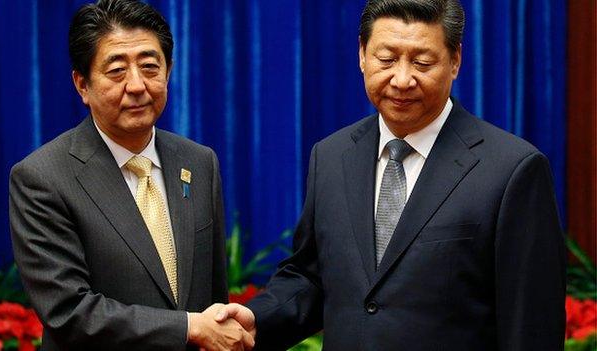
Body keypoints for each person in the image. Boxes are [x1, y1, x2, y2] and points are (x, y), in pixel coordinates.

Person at [215, 0, 566, 349]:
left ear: (455, 60)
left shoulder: (512, 169)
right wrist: (255, 322)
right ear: (362, 55)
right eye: (386, 60)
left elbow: (530, 325)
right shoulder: (332, 156)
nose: (402, 79)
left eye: (422, 62)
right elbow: (312, 277)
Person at [9, 0, 254, 350]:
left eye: (150, 67)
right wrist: (187, 328)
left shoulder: (199, 163)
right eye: (117, 71)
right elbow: (69, 311)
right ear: (82, 85)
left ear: (168, 71)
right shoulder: (42, 177)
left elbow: (213, 298)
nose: (137, 85)